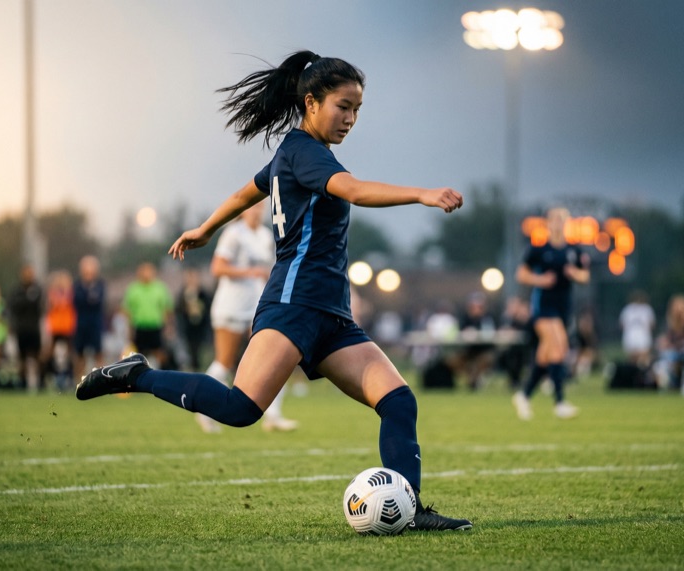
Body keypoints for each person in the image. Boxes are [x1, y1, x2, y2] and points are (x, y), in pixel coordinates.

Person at [76, 50, 471, 531]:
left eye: (357, 110)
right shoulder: (305, 153)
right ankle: (136, 375)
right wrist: (423, 194)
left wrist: (206, 228)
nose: (350, 118)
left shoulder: (297, 153)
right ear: (311, 102)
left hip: (332, 314)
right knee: (241, 408)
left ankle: (407, 511)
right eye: (342, 106)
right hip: (293, 304)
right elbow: (356, 191)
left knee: (398, 401)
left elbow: (248, 192)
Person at [197, 201, 298, 434]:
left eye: (260, 208)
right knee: (224, 361)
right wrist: (249, 272)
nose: (257, 212)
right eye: (252, 207)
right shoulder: (234, 234)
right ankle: (202, 406)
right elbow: (217, 268)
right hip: (231, 306)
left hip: (256, 306)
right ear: (243, 210)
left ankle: (273, 415)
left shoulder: (264, 235)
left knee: (275, 355)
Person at [513, 207, 590, 420]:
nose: (558, 223)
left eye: (562, 219)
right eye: (554, 219)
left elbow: (585, 276)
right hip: (543, 306)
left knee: (546, 354)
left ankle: (524, 395)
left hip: (563, 306)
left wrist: (574, 273)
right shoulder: (538, 249)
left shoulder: (574, 250)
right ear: (548, 223)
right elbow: (521, 274)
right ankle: (559, 401)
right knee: (559, 347)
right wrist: (540, 280)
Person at [122, 262, 174, 369]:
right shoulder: (133, 289)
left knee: (160, 353)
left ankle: (164, 374)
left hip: (156, 326)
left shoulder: (160, 288)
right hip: (140, 327)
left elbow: (167, 308)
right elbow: (127, 310)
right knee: (139, 355)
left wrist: (168, 326)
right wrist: (129, 328)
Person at [8, 264, 44, 392]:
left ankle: (40, 382)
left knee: (37, 356)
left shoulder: (38, 289)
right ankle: (22, 382)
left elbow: (39, 306)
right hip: (21, 328)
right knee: (22, 357)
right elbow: (15, 306)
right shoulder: (17, 290)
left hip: (34, 328)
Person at [654, 294, 684, 394]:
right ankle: (665, 383)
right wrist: (662, 342)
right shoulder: (670, 322)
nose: (678, 309)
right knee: (664, 358)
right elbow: (666, 339)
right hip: (673, 353)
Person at [73, 255, 107, 378]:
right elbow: (78, 301)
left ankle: (101, 379)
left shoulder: (100, 285)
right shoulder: (77, 285)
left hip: (95, 323)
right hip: (81, 323)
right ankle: (78, 381)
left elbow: (98, 302)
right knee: (79, 353)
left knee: (98, 353)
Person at [456, 292, 497, 391]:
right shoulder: (464, 318)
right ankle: (472, 380)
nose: (477, 309)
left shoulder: (488, 318)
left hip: (484, 350)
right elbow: (459, 333)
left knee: (487, 359)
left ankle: (475, 380)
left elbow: (492, 333)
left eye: (479, 306)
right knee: (455, 360)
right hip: (468, 351)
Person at [175, 267, 212, 372]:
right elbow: (178, 310)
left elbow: (209, 308)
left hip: (202, 330)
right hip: (187, 330)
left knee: (203, 354)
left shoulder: (204, 294)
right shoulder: (182, 294)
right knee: (189, 354)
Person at [45, 270, 77, 391]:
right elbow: (54, 305)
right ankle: (52, 376)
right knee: (51, 353)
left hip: (68, 327)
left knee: (70, 353)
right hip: (55, 327)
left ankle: (69, 377)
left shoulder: (72, 294)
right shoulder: (52, 293)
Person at [618, 290, 655, 368]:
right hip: (632, 335)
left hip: (641, 335)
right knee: (633, 357)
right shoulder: (628, 309)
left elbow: (651, 324)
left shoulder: (646, 309)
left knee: (643, 356)